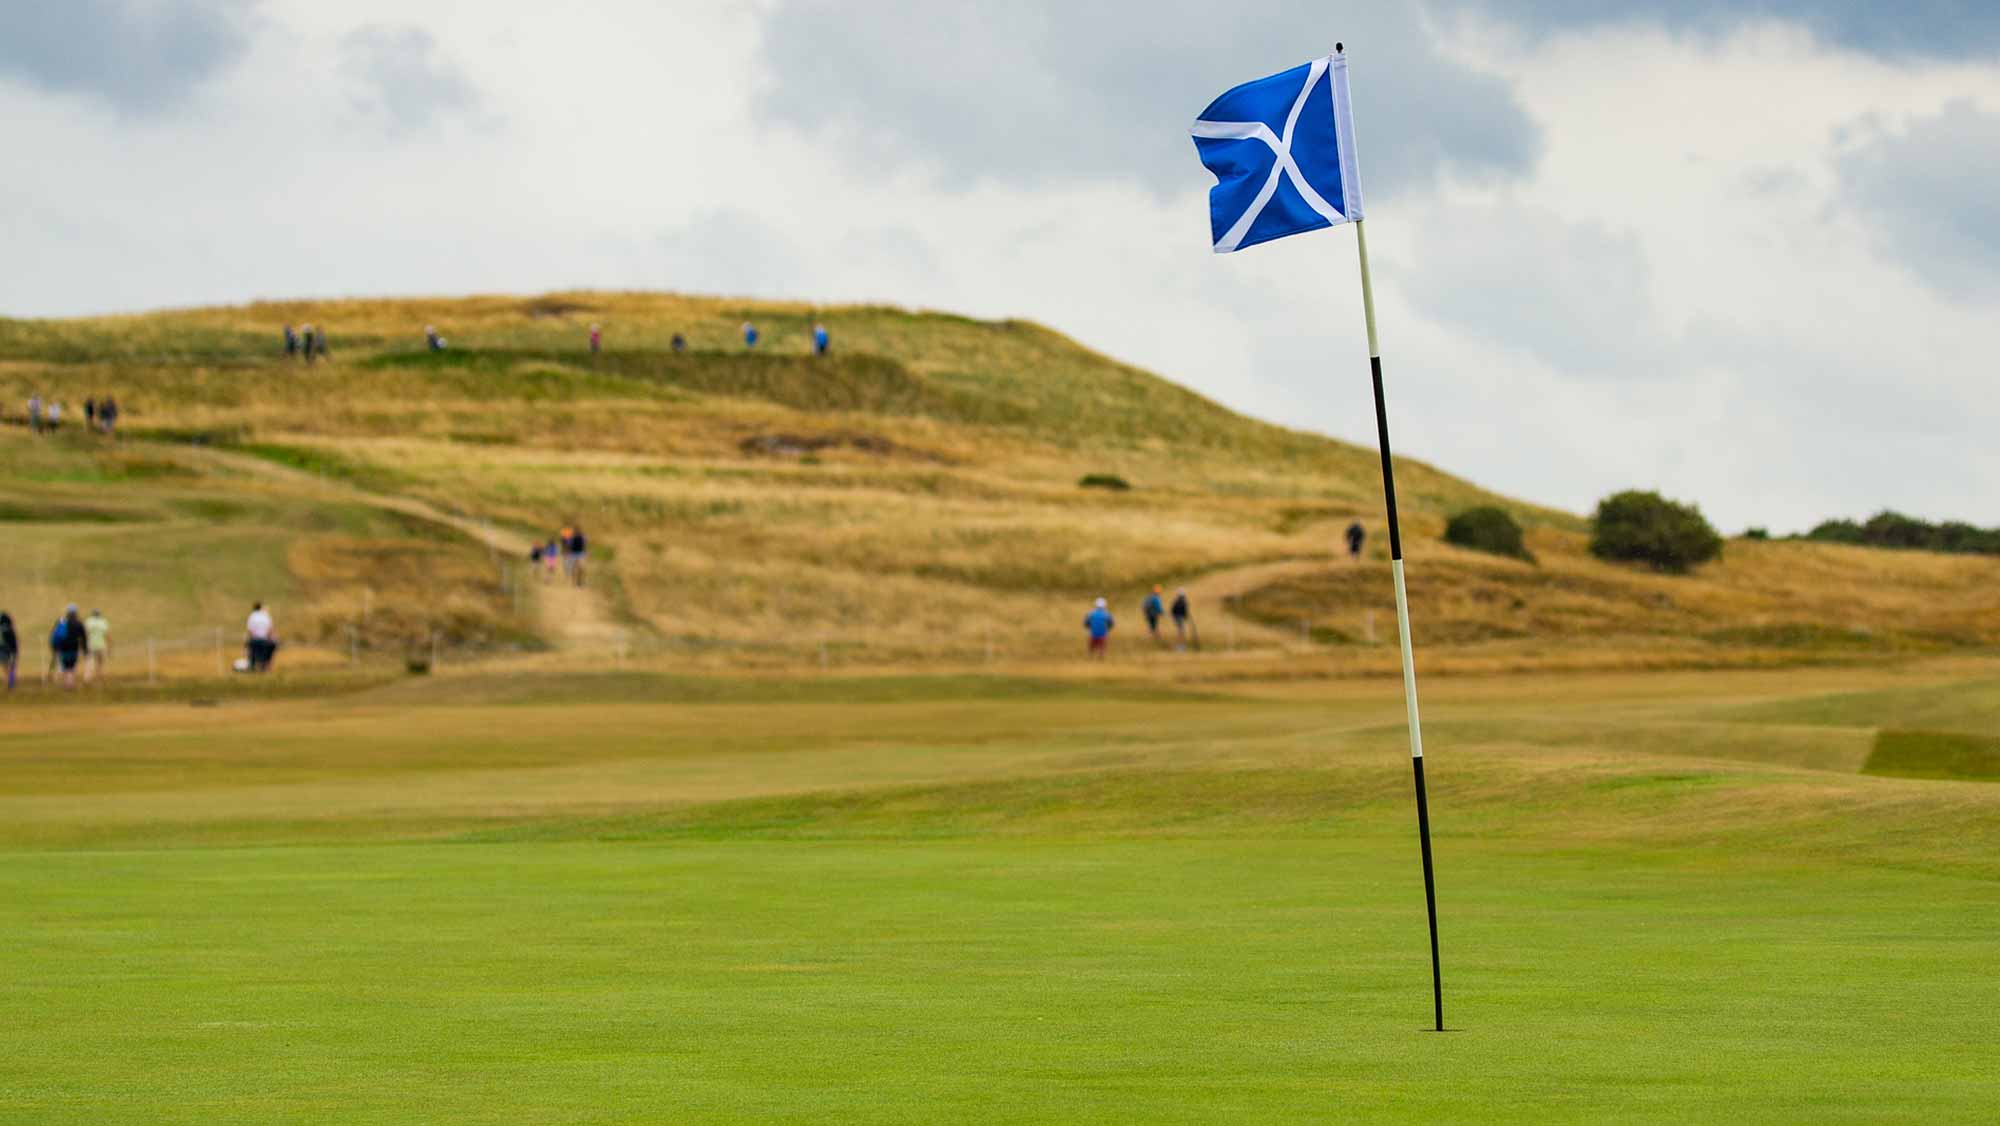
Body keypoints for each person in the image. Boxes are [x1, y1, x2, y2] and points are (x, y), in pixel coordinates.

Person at [50, 606, 85, 689]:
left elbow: (55, 635)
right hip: (74, 648)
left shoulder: (62, 623)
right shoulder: (78, 623)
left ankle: (66, 683)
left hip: (63, 648)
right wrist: (84, 649)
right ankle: (70, 684)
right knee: (72, 667)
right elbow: (83, 637)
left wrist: (55, 647)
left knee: (65, 667)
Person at [245, 602, 277, 672]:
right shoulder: (266, 615)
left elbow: (250, 630)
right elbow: (270, 629)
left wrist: (251, 639)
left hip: (255, 639)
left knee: (252, 654)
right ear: (261, 608)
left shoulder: (252, 616)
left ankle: (252, 667)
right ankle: (265, 668)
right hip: (265, 639)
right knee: (266, 655)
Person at [82, 608, 110, 684]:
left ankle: (87, 678)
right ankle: (99, 677)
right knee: (100, 663)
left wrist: (84, 644)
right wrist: (109, 645)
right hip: (101, 645)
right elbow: (107, 635)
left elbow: (86, 634)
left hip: (90, 645)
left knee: (89, 662)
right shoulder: (103, 622)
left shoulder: (89, 621)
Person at [0, 611, 17, 692]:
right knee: (12, 667)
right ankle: (11, 683)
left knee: (5, 667)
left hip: (2, 649)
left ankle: (7, 681)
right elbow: (14, 642)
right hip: (10, 650)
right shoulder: (10, 630)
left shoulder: (1, 629)